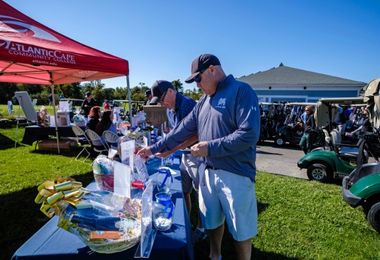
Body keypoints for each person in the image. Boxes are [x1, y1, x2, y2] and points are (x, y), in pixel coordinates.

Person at [138, 54, 260, 260]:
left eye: (198, 79)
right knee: (212, 222)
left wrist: (209, 148)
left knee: (241, 231)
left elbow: (249, 134)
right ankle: (215, 255)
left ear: (212, 70)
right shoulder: (203, 101)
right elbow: (180, 132)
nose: (196, 86)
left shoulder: (241, 90)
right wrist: (152, 148)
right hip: (207, 173)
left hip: (236, 174)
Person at [148, 80, 204, 241]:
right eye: (158, 101)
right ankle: (187, 222)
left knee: (200, 194)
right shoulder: (170, 109)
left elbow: (196, 134)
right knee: (184, 190)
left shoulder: (187, 105)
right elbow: (178, 132)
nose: (161, 103)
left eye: (162, 98)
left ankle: (202, 227)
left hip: (197, 155)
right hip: (184, 154)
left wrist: (171, 150)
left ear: (172, 91)